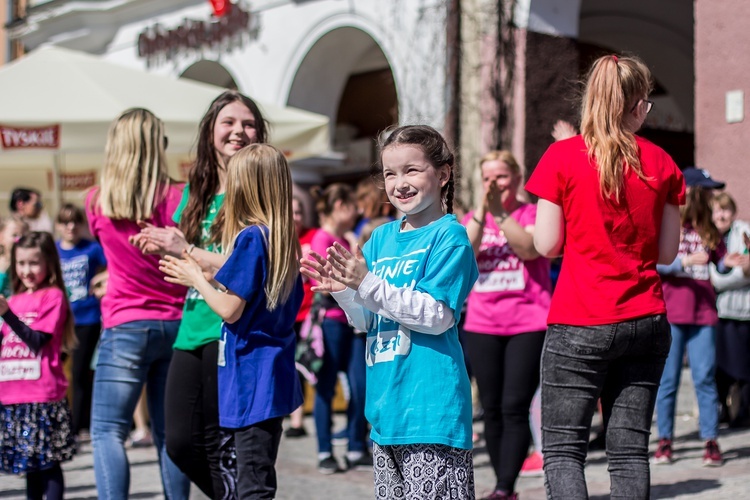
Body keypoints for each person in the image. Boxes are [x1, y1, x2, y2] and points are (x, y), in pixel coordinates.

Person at [526, 54, 684, 499]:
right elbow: (668, 252)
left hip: (581, 316)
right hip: (646, 315)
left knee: (563, 450)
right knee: (630, 451)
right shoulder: (662, 162)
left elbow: (546, 244)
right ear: (638, 107)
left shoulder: (562, 156)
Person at [301, 124, 479, 499]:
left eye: (412, 170)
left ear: (443, 173)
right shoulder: (380, 238)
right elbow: (368, 321)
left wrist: (365, 284)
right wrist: (344, 293)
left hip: (432, 411)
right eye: (390, 173)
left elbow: (437, 316)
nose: (400, 183)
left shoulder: (450, 236)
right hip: (385, 412)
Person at [132, 89, 268, 498]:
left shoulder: (260, 191)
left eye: (248, 124)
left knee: (220, 442)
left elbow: (247, 264)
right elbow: (184, 258)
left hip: (231, 328)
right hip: (190, 324)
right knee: (179, 442)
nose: (238, 131)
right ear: (211, 131)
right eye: (228, 122)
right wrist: (162, 246)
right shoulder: (196, 193)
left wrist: (186, 250)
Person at [159, 144, 303, 499]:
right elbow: (251, 296)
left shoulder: (252, 236)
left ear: (245, 187)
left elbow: (229, 309)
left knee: (252, 486)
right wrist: (203, 275)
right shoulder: (280, 237)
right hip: (269, 376)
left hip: (252, 379)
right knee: (253, 476)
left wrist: (196, 278)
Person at [86, 108, 190, 500]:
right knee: (168, 435)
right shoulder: (179, 197)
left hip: (125, 324)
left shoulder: (97, 202)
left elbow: (114, 257)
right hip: (176, 323)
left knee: (108, 430)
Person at [462, 150, 551, 500]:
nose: (493, 184)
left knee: (515, 404)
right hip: (482, 323)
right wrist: (484, 213)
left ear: (516, 178)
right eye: (487, 178)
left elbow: (529, 249)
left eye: (500, 177)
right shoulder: (475, 217)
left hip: (527, 322)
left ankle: (503, 487)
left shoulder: (531, 213)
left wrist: (501, 213)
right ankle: (503, 485)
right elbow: (464, 254)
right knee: (492, 406)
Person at [654, 167, 729, 467]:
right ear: (695, 194)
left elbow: (721, 266)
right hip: (671, 313)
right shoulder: (669, 224)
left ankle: (710, 440)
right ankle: (665, 441)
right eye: (708, 191)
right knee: (668, 381)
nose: (712, 196)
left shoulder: (710, 230)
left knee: (705, 378)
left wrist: (732, 263)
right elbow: (653, 263)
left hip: (704, 314)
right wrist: (683, 260)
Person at [0, 232, 77, 500]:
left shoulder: (52, 296)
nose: (26, 271)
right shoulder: (14, 299)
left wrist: (6, 314)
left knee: (48, 464)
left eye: (34, 263)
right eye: (21, 264)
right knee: (28, 467)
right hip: (12, 395)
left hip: (42, 395)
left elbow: (36, 341)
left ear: (48, 263)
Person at [307, 182, 370, 474]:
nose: (358, 211)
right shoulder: (323, 238)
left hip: (354, 322)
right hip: (332, 322)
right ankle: (324, 451)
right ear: (339, 206)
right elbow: (328, 280)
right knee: (326, 388)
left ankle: (357, 447)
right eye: (353, 205)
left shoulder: (344, 238)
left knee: (360, 385)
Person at [55, 203, 107, 440]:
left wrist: (100, 280)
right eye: (66, 222)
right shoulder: (54, 250)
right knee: (56, 370)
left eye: (76, 221)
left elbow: (113, 267)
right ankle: (60, 421)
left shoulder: (92, 249)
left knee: (80, 372)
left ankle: (77, 427)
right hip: (60, 319)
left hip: (87, 318)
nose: (71, 226)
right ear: (58, 225)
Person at [711, 192, 750, 428]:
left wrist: (723, 274)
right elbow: (712, 277)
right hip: (718, 313)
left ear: (733, 212)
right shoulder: (709, 236)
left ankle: (744, 413)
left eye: (725, 209)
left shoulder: (744, 231)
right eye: (717, 210)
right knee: (719, 368)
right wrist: (733, 272)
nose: (721, 215)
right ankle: (724, 411)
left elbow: (721, 278)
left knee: (744, 368)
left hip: (743, 311)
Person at [286, 195, 318, 438]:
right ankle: (292, 416)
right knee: (288, 366)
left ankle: (298, 419)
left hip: (309, 313)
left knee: (303, 366)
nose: (296, 217)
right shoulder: (279, 238)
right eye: (292, 212)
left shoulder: (313, 236)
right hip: (286, 313)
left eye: (299, 212)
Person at [0, 215, 29, 296]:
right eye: (14, 235)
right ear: (1, 238)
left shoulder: (28, 266)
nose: (19, 239)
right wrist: (3, 272)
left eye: (23, 236)